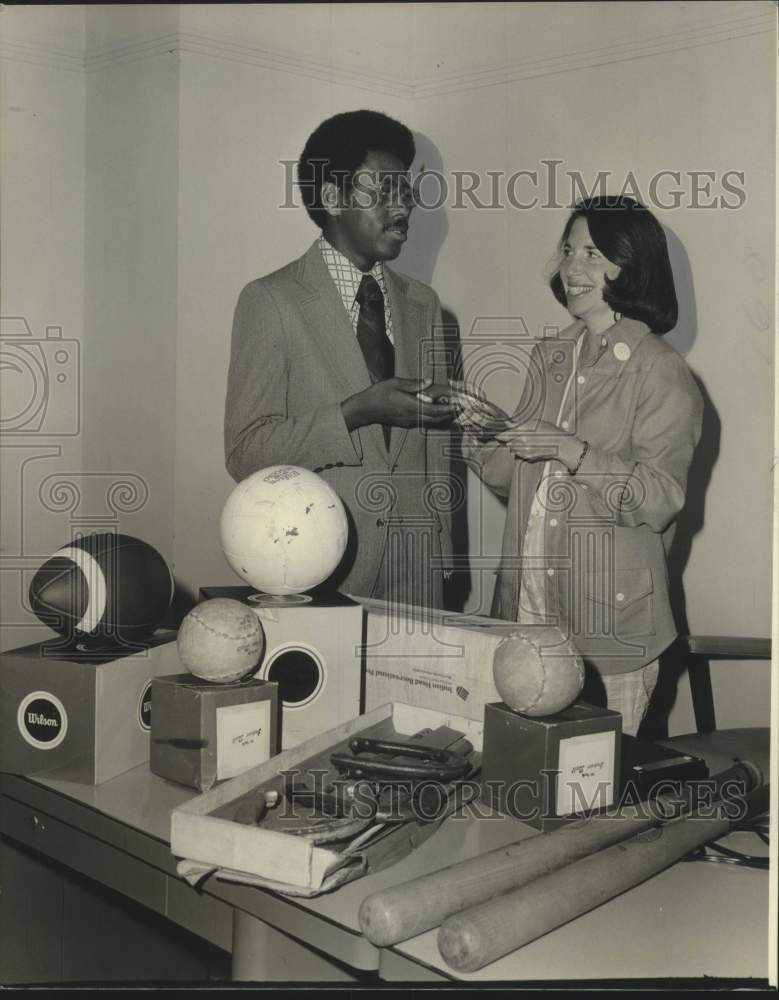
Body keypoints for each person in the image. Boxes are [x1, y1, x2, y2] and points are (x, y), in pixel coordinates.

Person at [460, 196, 703, 736]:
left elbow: (659, 498)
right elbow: (517, 479)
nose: (572, 266)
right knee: (523, 767)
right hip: (526, 611)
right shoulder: (549, 357)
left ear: (632, 264)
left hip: (611, 629)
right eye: (569, 250)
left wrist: (571, 450)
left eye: (593, 253)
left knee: (595, 779)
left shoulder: (660, 369)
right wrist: (473, 430)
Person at [224, 110, 457, 608]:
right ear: (332, 197)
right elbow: (246, 453)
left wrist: (441, 555)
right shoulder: (272, 301)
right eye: (385, 190)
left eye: (406, 190)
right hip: (321, 571)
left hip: (418, 576)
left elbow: (435, 450)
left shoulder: (424, 304)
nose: (403, 206)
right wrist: (354, 413)